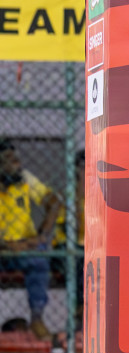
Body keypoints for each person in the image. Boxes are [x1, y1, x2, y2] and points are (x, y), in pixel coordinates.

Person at [0, 140, 61, 338]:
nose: (17, 164)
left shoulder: (24, 178)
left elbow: (53, 202)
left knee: (39, 257)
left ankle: (37, 319)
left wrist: (42, 235)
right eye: (9, 160)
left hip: (25, 248)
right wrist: (7, 245)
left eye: (16, 159)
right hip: (3, 249)